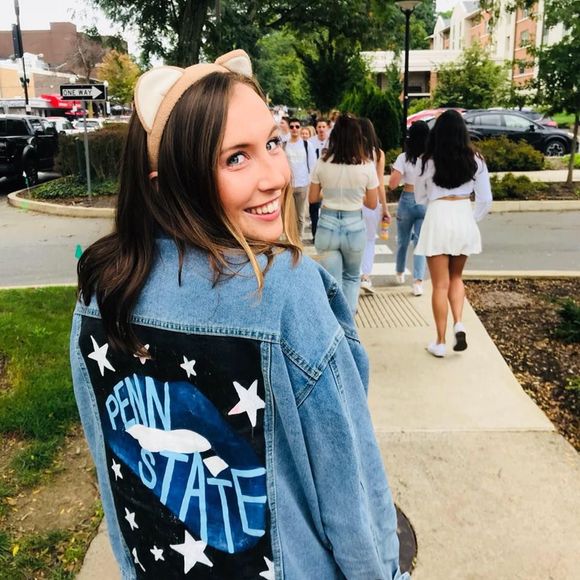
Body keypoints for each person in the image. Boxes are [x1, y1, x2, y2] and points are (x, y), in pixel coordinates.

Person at [70, 50, 407, 579]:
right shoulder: (286, 291)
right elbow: (350, 489)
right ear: (167, 182)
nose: (276, 175)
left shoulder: (99, 288)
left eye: (272, 143)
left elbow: (112, 470)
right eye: (235, 158)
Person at [415, 109, 493, 358]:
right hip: (463, 214)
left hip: (438, 215)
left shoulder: (426, 160)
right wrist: (472, 218)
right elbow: (485, 199)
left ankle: (440, 341)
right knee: (456, 277)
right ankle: (459, 323)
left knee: (440, 284)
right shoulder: (476, 159)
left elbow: (419, 197)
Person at [309, 113, 379, 313]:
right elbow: (372, 203)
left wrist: (329, 192)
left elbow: (312, 198)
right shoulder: (366, 166)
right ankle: (349, 323)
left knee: (333, 281)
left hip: (327, 223)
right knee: (351, 277)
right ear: (358, 137)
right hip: (354, 225)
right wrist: (355, 195)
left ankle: (335, 322)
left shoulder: (322, 163)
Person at [389, 121, 430, 297]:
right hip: (425, 200)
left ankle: (400, 272)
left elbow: (392, 184)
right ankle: (418, 282)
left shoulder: (403, 158)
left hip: (407, 197)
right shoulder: (431, 157)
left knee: (403, 240)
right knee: (420, 243)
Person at [359, 117, 390, 294]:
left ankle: (354, 274)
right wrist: (385, 208)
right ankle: (366, 276)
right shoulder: (378, 154)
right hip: (372, 202)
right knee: (370, 240)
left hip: (356, 200)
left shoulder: (352, 152)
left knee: (355, 239)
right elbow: (380, 184)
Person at [284, 117, 316, 239]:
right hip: (288, 185)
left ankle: (299, 238)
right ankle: (290, 238)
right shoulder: (284, 145)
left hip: (302, 184)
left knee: (300, 215)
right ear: (289, 128)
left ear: (300, 128)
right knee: (289, 215)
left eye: (297, 126)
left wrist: (310, 182)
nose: (294, 129)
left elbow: (313, 165)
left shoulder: (307, 145)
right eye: (292, 126)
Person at [308, 118, 330, 242]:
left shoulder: (332, 142)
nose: (321, 129)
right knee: (314, 206)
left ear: (327, 128)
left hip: (328, 178)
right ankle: (315, 234)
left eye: (323, 127)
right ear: (316, 128)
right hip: (315, 177)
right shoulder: (311, 142)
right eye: (319, 127)